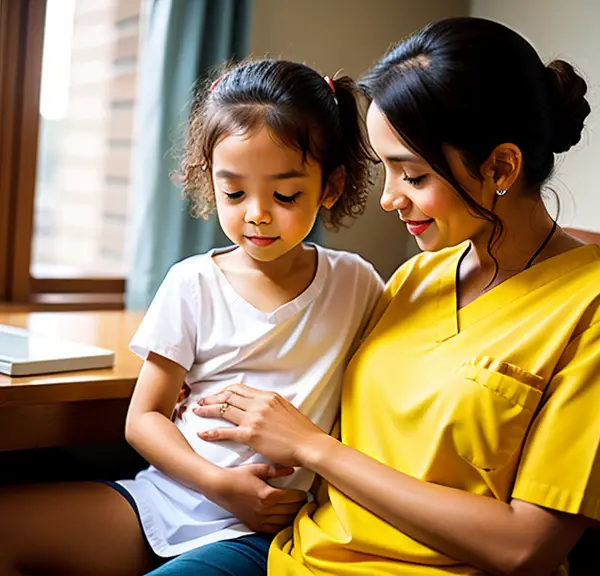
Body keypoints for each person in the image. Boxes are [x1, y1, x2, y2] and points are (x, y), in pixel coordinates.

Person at [186, 17, 600, 576]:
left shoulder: (587, 310)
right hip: (296, 555)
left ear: (501, 166)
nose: (388, 200)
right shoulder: (415, 279)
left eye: (413, 176)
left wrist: (312, 448)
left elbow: (526, 549)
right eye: (385, 170)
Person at [0, 58, 383, 576]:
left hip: (258, 528)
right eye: (234, 192)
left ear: (330, 187)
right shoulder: (192, 281)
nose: (256, 213)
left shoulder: (356, 283)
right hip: (169, 497)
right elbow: (145, 418)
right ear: (211, 183)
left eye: (285, 195)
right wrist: (221, 484)